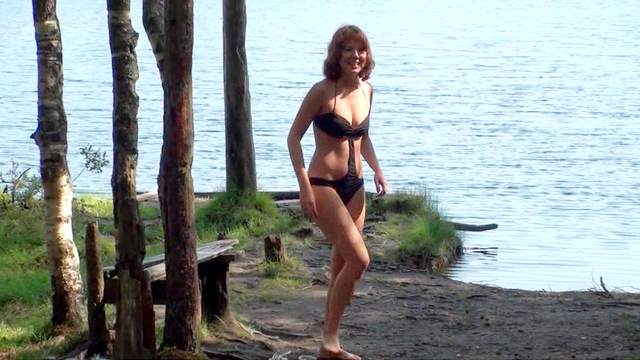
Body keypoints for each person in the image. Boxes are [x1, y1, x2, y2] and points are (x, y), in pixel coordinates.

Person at [287, 25, 389, 360]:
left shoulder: (367, 91)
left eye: (361, 50)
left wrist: (377, 169)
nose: (356, 56)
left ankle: (331, 345)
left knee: (341, 267)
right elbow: (293, 139)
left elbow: (363, 137)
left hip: (355, 188)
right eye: (348, 50)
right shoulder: (322, 92)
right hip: (324, 185)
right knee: (360, 260)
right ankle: (329, 341)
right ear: (337, 55)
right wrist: (304, 186)